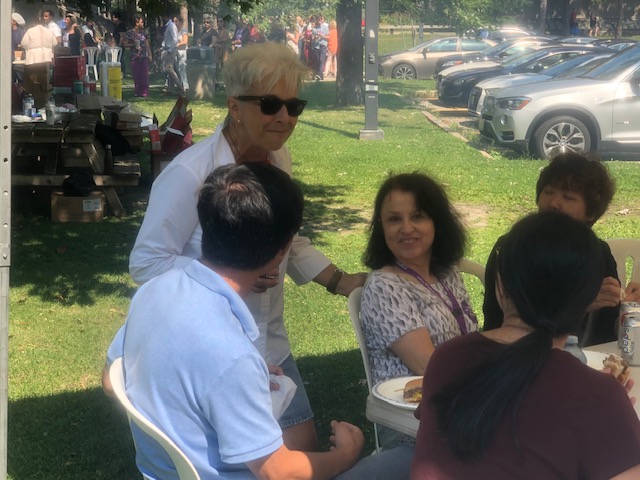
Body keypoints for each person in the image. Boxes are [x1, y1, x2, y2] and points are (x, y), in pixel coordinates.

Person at [128, 42, 365, 452]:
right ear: (235, 107)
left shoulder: (279, 158)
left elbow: (286, 236)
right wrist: (230, 274)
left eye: (294, 106)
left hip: (271, 341)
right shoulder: (190, 174)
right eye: (270, 104)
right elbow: (147, 263)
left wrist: (339, 281)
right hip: (214, 349)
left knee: (302, 450)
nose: (285, 117)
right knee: (259, 463)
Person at [103, 163, 364, 479]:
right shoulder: (232, 357)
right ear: (282, 251)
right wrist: (345, 455)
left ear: (206, 225)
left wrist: (221, 384)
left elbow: (111, 381)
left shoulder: (154, 291)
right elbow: (279, 473)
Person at [411, 211, 640, 479]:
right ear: (589, 299)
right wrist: (605, 409)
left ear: (500, 284)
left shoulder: (447, 357)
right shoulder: (598, 395)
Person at [361, 173, 478, 448]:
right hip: (413, 422)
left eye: (418, 216)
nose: (406, 228)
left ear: (437, 221)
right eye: (394, 219)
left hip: (459, 403)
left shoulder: (446, 273)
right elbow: (429, 366)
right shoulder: (383, 286)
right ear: (381, 227)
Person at [483, 152, 640, 346]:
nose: (553, 203)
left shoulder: (599, 254)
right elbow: (496, 324)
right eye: (548, 192)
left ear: (591, 212)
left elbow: (609, 331)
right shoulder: (512, 250)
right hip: (519, 354)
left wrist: (629, 309)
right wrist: (578, 306)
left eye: (568, 197)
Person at [121, 15, 151, 97]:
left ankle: (144, 92)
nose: (143, 24)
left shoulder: (143, 33)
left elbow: (147, 44)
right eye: (141, 22)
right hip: (134, 56)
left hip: (144, 56)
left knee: (144, 75)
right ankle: (137, 91)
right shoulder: (129, 33)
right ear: (137, 23)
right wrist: (133, 45)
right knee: (136, 75)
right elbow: (124, 44)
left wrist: (149, 54)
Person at [160, 12, 183, 94]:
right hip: (168, 48)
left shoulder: (171, 26)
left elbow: (175, 39)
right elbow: (168, 39)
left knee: (169, 69)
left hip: (171, 50)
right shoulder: (169, 26)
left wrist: (170, 50)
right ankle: (170, 88)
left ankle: (180, 87)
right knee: (171, 69)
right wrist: (162, 48)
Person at [174, 16, 189, 95]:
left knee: (182, 69)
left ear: (181, 22)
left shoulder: (184, 30)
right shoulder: (175, 31)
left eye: (176, 21)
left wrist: (177, 44)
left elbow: (185, 41)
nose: (175, 23)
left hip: (182, 52)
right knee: (177, 69)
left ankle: (185, 87)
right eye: (174, 21)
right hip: (176, 52)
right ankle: (179, 87)